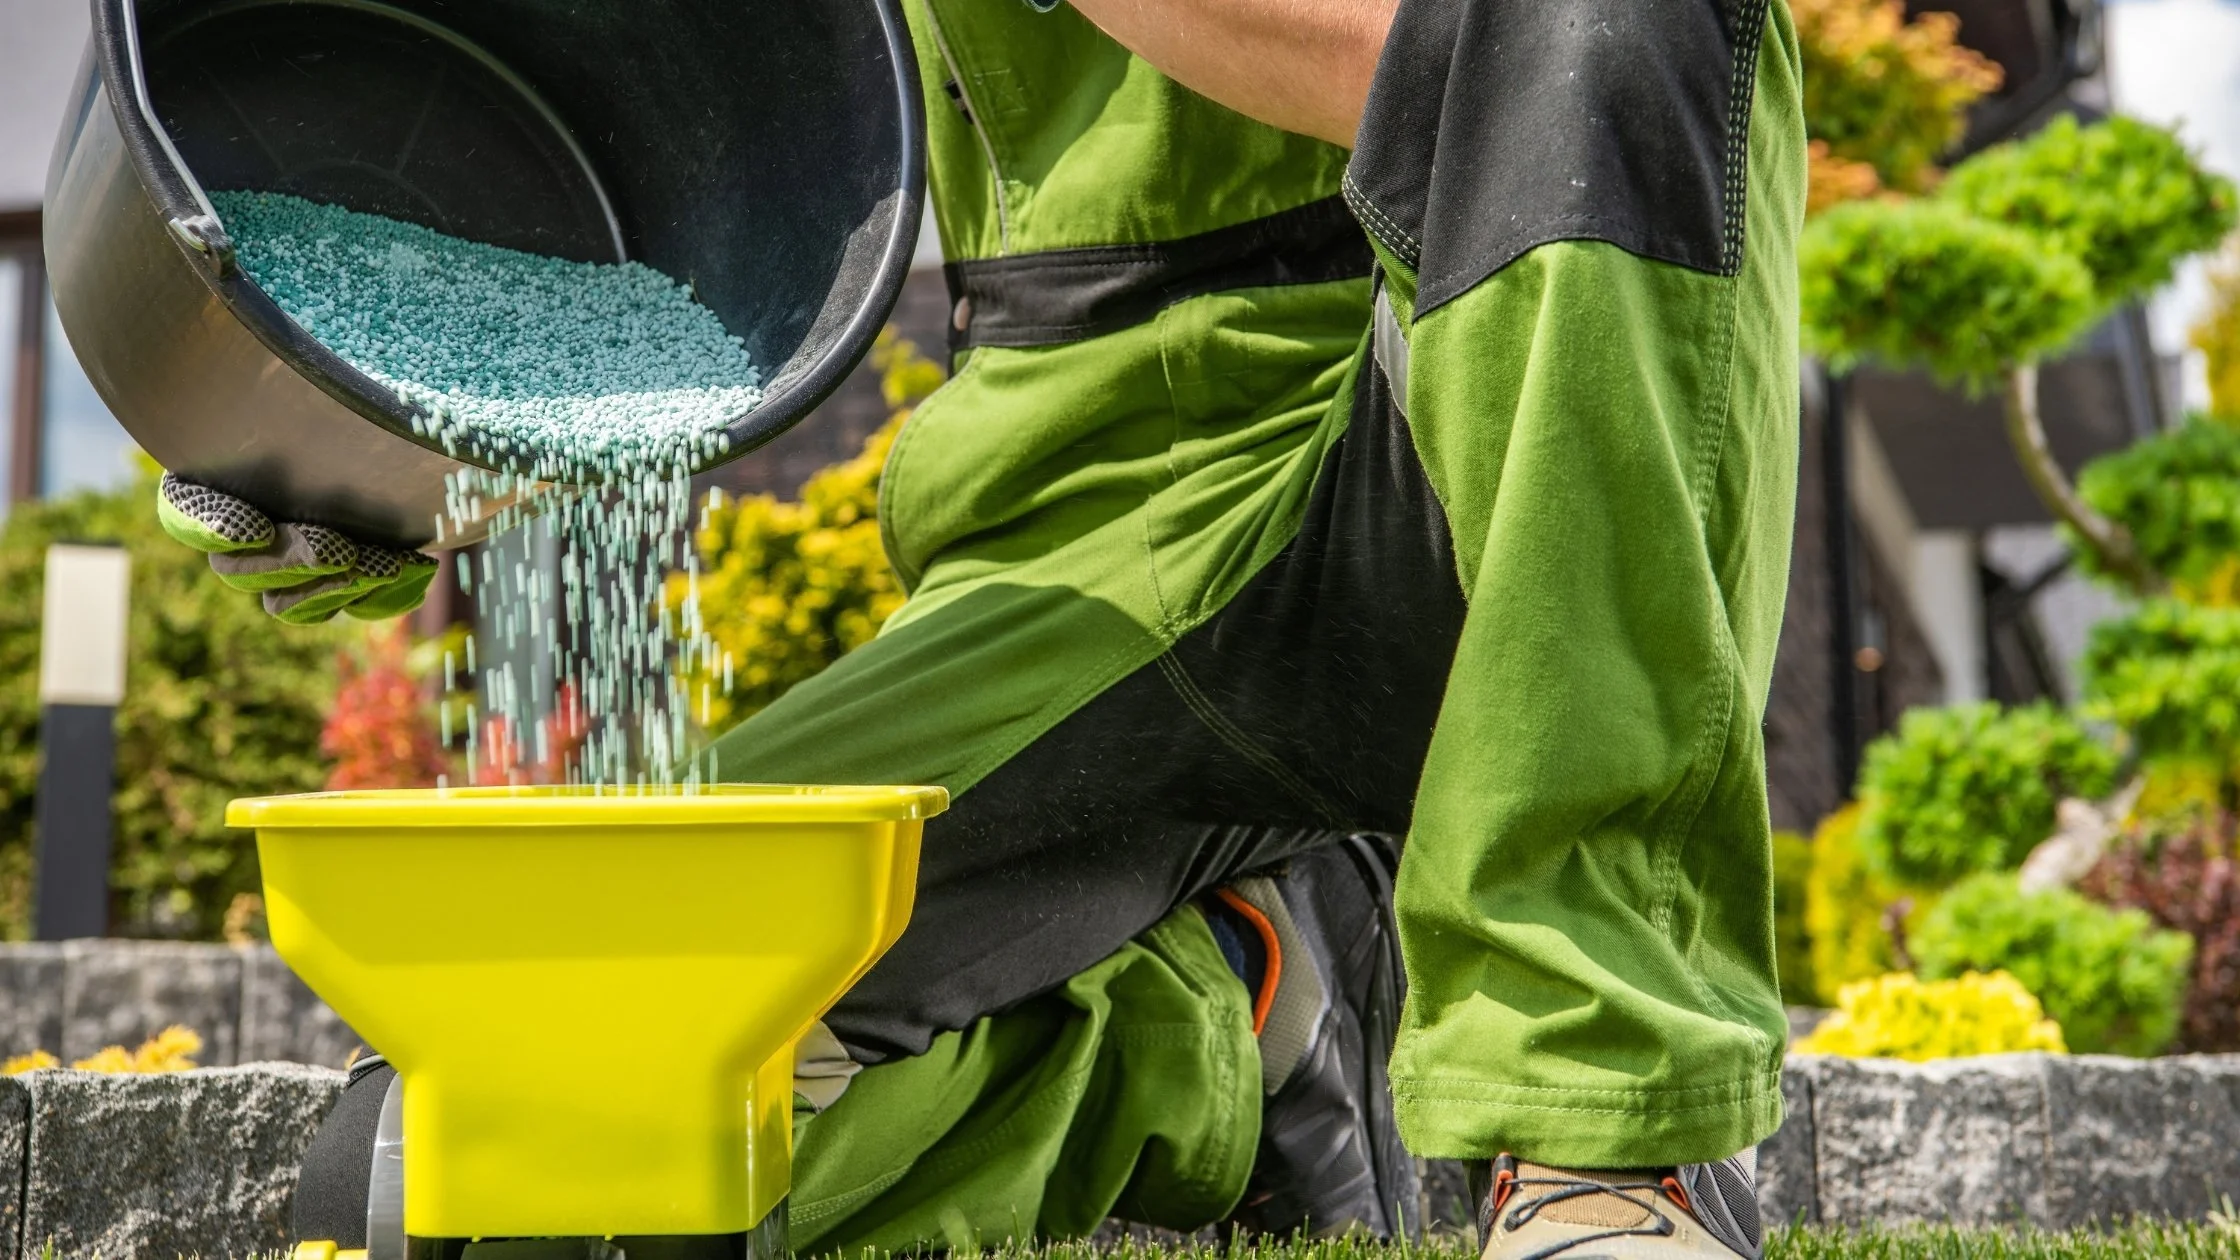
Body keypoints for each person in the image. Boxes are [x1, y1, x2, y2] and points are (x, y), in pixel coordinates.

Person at [162, 0, 1804, 1253]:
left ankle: (1606, 1140)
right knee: (481, 1152)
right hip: (1090, 530)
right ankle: (1231, 1013)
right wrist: (363, 432)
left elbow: (1451, 57)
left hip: (1490, 458)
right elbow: (672, 157)